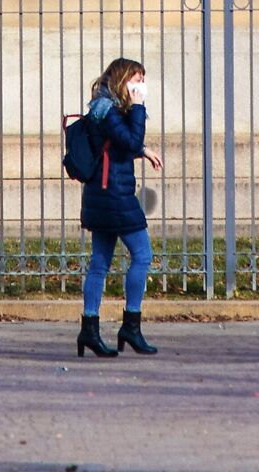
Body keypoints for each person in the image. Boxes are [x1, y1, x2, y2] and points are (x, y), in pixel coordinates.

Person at [76, 55, 162, 358]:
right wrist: (138, 107)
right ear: (122, 80)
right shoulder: (108, 110)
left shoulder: (103, 107)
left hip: (103, 193)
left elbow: (121, 145)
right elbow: (129, 138)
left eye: (142, 80)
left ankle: (90, 330)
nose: (141, 86)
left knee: (100, 261)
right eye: (136, 80)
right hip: (115, 196)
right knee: (142, 254)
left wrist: (143, 151)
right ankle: (131, 325)